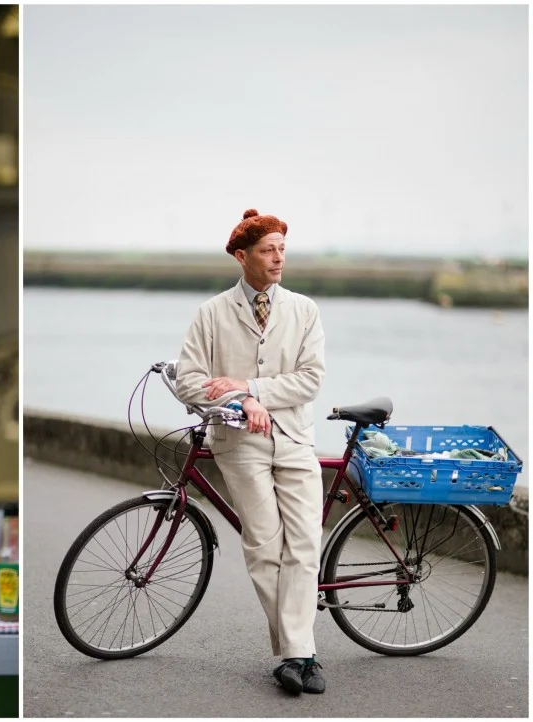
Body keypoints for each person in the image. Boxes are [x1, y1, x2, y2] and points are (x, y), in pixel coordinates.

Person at [175, 209, 326, 695]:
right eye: (268, 249)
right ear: (243, 257)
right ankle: (299, 655)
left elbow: (310, 380)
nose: (278, 257)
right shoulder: (211, 314)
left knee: (304, 545)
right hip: (240, 444)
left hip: (295, 438)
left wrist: (250, 385)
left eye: (282, 248)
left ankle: (295, 653)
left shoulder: (304, 310)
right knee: (265, 546)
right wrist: (239, 401)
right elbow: (189, 381)